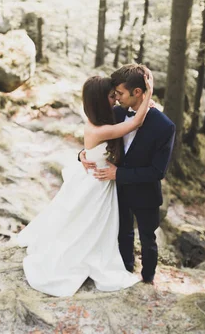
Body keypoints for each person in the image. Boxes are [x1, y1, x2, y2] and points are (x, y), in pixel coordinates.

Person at [16, 71, 154, 297]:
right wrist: (149, 90)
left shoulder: (100, 119)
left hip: (96, 178)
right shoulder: (101, 128)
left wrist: (83, 154)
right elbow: (137, 122)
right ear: (101, 100)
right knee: (86, 224)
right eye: (112, 96)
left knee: (86, 223)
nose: (116, 99)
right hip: (96, 184)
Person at [81, 64, 175, 285]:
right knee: (122, 234)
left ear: (138, 92)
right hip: (116, 191)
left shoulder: (165, 126)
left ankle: (148, 278)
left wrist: (119, 174)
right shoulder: (116, 113)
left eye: (120, 93)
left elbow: (157, 171)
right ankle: (123, 273)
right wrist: (82, 154)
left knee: (148, 239)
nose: (116, 98)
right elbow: (96, 140)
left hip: (145, 193)